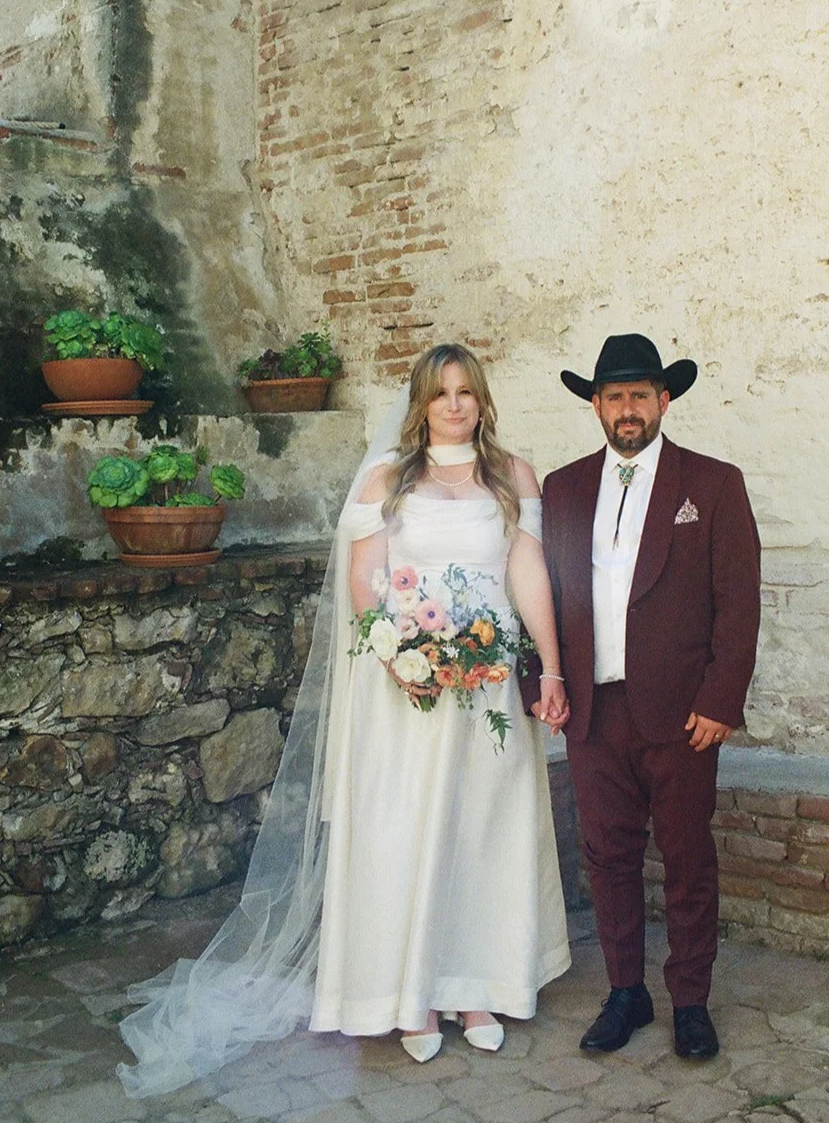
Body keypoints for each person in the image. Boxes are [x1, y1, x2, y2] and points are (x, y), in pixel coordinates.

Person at [118, 344, 570, 1095]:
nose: (454, 404)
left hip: (488, 690)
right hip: (411, 691)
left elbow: (527, 573)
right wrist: (402, 655)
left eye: (465, 392)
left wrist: (549, 668)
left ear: (482, 401)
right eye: (439, 392)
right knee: (407, 831)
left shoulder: (512, 476)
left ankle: (473, 981)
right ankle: (410, 994)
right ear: (420, 403)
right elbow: (364, 581)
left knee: (480, 827)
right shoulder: (386, 478)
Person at [528, 333, 760, 1062]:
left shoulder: (713, 484)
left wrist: (722, 697)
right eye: (613, 396)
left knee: (688, 856)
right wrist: (549, 679)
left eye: (640, 394)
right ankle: (625, 990)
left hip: (682, 712)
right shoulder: (562, 488)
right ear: (594, 404)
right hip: (594, 712)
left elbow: (739, 601)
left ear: (664, 400)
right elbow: (546, 593)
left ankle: (689, 1000)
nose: (626, 409)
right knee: (607, 854)